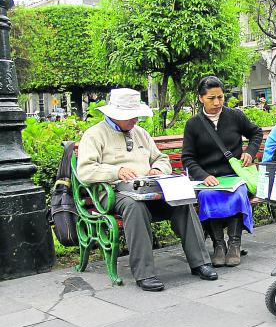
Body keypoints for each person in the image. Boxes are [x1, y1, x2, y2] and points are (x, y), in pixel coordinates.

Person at [77, 88, 218, 292]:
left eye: (136, 115)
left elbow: (161, 158)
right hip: (114, 193)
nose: (135, 120)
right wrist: (117, 171)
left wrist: (157, 169)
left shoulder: (140, 133)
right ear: (114, 114)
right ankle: (145, 274)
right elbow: (85, 171)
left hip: (148, 189)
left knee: (182, 202)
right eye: (131, 116)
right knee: (135, 207)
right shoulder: (95, 135)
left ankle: (200, 263)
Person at [182, 76, 263, 267]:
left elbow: (256, 132)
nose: (217, 102)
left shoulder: (235, 116)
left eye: (220, 97)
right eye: (211, 98)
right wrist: (204, 176)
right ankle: (218, 245)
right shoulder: (193, 124)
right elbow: (188, 158)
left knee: (238, 193)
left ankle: (234, 244)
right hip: (208, 178)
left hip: (234, 176)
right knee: (207, 197)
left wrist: (250, 153)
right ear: (201, 98)